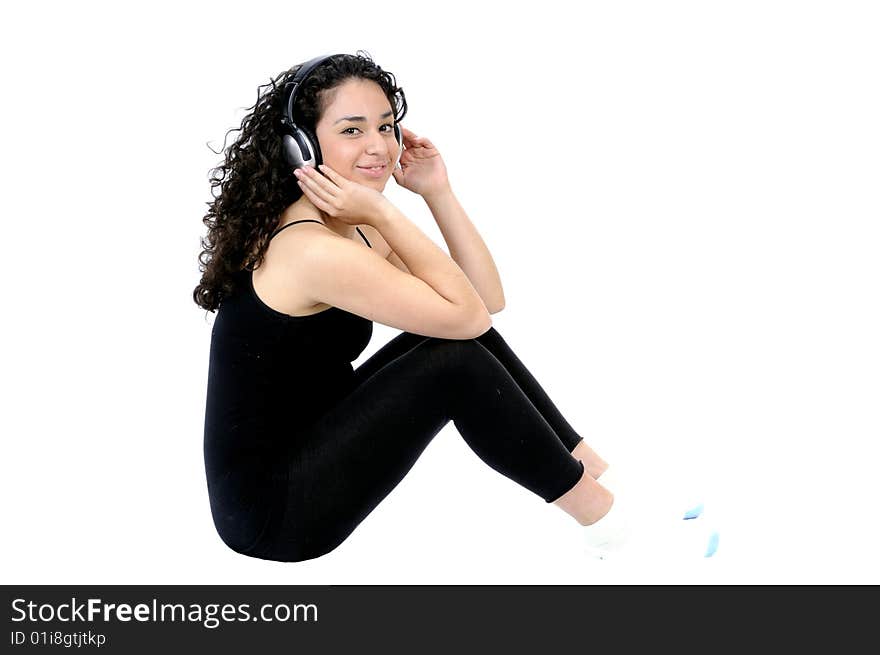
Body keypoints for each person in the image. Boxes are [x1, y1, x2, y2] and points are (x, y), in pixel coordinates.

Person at [193, 51, 714, 563]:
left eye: (386, 126)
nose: (379, 146)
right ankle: (609, 528)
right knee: (452, 359)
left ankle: (606, 484)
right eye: (351, 130)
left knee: (453, 336)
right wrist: (383, 211)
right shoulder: (309, 248)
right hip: (274, 511)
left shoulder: (349, 221)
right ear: (299, 146)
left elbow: (483, 301)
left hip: (318, 439)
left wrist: (436, 191)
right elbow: (471, 313)